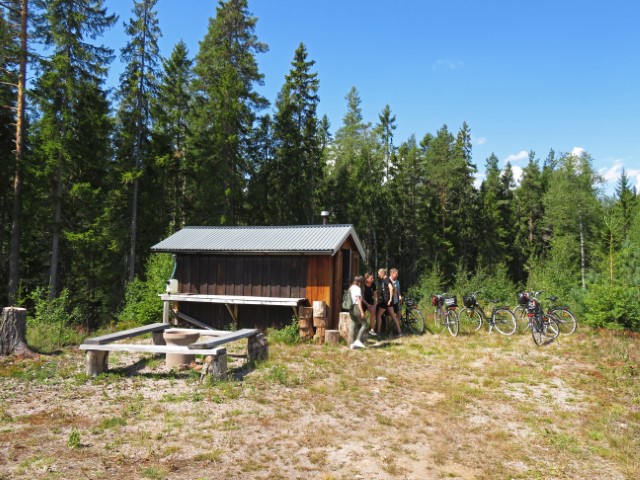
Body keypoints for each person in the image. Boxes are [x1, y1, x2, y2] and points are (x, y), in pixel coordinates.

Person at [375, 268, 402, 337]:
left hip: (386, 301)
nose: (378, 275)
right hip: (388, 301)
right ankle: (399, 332)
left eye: (378, 274)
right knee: (393, 316)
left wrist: (390, 299)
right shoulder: (386, 280)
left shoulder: (386, 279)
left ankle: (378, 332)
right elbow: (392, 288)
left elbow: (391, 288)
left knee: (378, 315)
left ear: (382, 273)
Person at [347, 275, 368, 349]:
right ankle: (358, 340)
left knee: (353, 324)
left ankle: (351, 344)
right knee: (365, 324)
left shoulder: (351, 288)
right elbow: (358, 300)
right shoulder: (357, 288)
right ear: (359, 282)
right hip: (356, 307)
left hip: (350, 308)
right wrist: (362, 312)